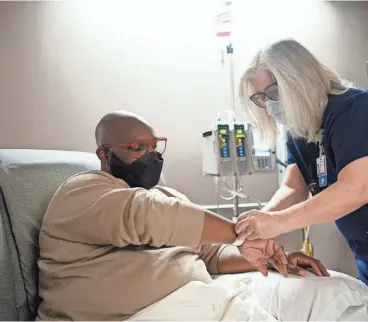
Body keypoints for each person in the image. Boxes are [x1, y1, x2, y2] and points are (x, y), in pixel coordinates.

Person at [36, 110, 331, 321]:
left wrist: (272, 259)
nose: (152, 156)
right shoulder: (83, 191)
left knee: (329, 291)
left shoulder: (168, 197)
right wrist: (243, 233)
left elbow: (212, 256)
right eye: (138, 148)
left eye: (155, 146)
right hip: (135, 314)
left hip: (204, 300)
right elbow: (147, 217)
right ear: (104, 154)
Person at [235, 39, 368, 321]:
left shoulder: (355, 110)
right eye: (260, 98)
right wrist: (260, 224)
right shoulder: (297, 132)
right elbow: (293, 187)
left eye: (273, 92)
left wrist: (276, 223)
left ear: (300, 80)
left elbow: (355, 189)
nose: (269, 107)